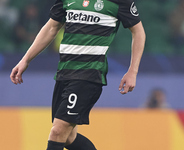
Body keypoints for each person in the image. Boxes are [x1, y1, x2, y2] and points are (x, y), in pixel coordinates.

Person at [10, 0, 145, 149]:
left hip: (89, 74)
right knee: (68, 137)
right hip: (64, 73)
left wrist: (133, 71)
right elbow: (51, 27)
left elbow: (138, 32)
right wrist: (25, 60)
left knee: (57, 132)